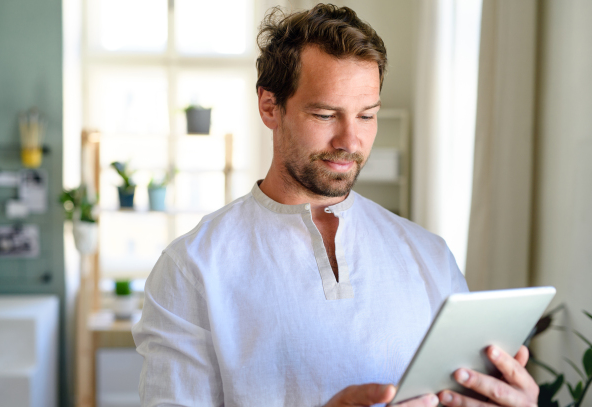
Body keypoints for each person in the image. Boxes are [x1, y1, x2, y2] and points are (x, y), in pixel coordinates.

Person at [132, 4, 539, 407]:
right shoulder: (192, 269)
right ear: (270, 106)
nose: (350, 141)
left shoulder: (430, 256)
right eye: (326, 114)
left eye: (367, 115)